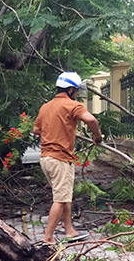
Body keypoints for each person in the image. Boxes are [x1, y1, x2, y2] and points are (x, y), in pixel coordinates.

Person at [32, 72, 103, 245]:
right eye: (76, 90)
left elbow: (36, 130)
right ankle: (48, 238)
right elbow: (91, 120)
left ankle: (69, 229)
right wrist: (97, 136)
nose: (77, 94)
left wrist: (59, 130)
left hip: (46, 159)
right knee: (61, 198)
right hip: (60, 159)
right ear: (71, 89)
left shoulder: (46, 107)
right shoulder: (72, 106)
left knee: (64, 195)